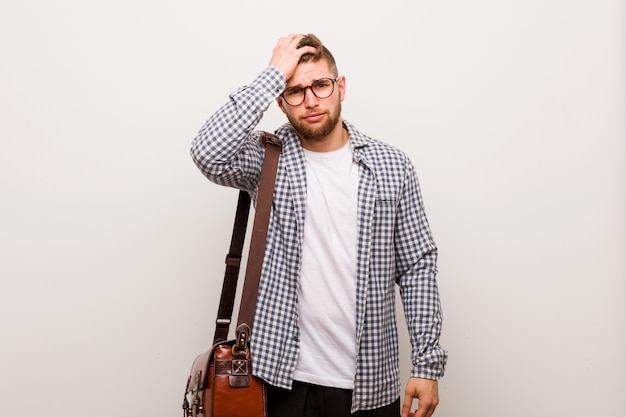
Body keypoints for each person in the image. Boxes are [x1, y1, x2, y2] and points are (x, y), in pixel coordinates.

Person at [190, 33, 447, 417]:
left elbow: (417, 268)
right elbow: (207, 151)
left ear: (339, 86)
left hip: (369, 385)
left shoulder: (392, 166)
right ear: (280, 100)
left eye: (320, 85)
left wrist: (427, 364)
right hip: (279, 379)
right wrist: (272, 74)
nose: (310, 100)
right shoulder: (268, 159)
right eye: (294, 91)